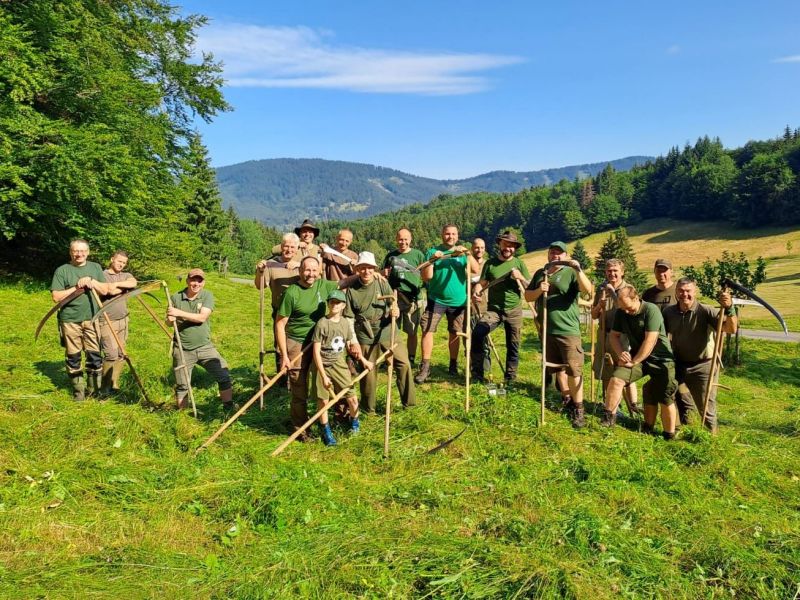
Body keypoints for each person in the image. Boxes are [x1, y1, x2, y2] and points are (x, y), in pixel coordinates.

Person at [526, 241, 593, 427]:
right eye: (552, 252)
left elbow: (588, 291)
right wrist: (540, 289)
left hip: (568, 330)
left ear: (566, 255)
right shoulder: (541, 273)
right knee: (557, 368)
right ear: (548, 254)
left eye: (559, 253)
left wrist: (578, 270)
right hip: (547, 329)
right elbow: (528, 296)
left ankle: (578, 409)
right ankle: (567, 399)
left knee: (574, 369)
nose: (555, 256)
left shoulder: (571, 272)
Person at [275, 256, 340, 438]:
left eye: (314, 270)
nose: (310, 274)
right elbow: (280, 324)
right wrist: (284, 356)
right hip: (296, 343)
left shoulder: (324, 286)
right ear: (300, 271)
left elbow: (345, 282)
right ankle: (300, 428)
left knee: (329, 378)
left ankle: (334, 419)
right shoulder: (292, 293)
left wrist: (374, 274)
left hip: (320, 340)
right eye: (307, 270)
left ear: (319, 271)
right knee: (299, 387)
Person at [662, 277, 738, 433]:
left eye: (688, 291)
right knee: (682, 400)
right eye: (681, 291)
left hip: (703, 367)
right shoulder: (669, 312)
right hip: (680, 366)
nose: (685, 295)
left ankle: (711, 440)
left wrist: (729, 308)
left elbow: (730, 329)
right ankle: (689, 432)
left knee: (706, 407)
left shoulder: (706, 311)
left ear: (694, 291)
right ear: (676, 292)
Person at [604, 285, 678, 439]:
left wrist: (634, 361)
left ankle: (668, 435)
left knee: (664, 396)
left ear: (636, 298)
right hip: (637, 357)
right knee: (616, 379)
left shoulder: (651, 310)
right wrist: (621, 354)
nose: (625, 312)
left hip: (661, 359)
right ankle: (608, 419)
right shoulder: (621, 312)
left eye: (628, 308)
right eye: (622, 308)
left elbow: (650, 341)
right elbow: (613, 336)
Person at [346, 251, 416, 413]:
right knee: (369, 374)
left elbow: (392, 300)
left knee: (403, 364)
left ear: (374, 268)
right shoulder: (352, 290)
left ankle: (410, 405)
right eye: (363, 268)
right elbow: (349, 318)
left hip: (388, 331)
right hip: (365, 335)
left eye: (370, 268)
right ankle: (368, 409)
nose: (366, 271)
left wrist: (395, 309)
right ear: (358, 269)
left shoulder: (381, 283)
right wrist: (354, 341)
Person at [50, 239, 114, 400]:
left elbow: (106, 290)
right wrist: (77, 287)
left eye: (82, 251)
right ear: (70, 252)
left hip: (92, 318)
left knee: (94, 355)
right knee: (73, 356)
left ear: (88, 252)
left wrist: (91, 281)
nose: (79, 254)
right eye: (76, 251)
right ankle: (79, 392)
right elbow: (56, 297)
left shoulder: (95, 268)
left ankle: (94, 390)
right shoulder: (62, 271)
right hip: (70, 320)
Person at [415, 224, 479, 383]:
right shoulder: (433, 251)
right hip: (436, 299)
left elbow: (476, 270)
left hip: (458, 301)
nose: (450, 236)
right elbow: (427, 277)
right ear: (442, 235)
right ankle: (425, 368)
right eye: (447, 234)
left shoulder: (462, 253)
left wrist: (468, 254)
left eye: (453, 234)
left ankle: (453, 365)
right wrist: (432, 260)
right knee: (427, 330)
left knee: (455, 332)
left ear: (457, 235)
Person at [311, 289, 373, 446]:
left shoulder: (345, 323)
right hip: (323, 365)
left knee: (351, 397)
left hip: (339, 364)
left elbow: (351, 346)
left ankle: (355, 424)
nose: (334, 305)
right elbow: (316, 352)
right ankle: (326, 431)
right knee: (324, 401)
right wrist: (323, 375)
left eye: (337, 302)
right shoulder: (322, 324)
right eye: (331, 302)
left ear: (343, 305)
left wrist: (364, 361)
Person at [167, 268, 235, 410]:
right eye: (193, 280)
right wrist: (169, 319)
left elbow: (202, 318)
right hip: (182, 348)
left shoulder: (207, 296)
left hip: (205, 347)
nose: (196, 283)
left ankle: (228, 407)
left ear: (203, 283)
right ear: (187, 281)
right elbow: (168, 322)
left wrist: (179, 313)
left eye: (199, 280)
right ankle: (182, 416)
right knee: (182, 385)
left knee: (224, 375)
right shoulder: (175, 297)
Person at [470, 232, 530, 383]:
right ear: (500, 245)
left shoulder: (519, 264)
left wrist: (520, 277)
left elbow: (529, 287)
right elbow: (482, 283)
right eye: (505, 244)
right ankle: (477, 374)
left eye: (511, 245)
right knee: (477, 333)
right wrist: (476, 290)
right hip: (494, 310)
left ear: (515, 248)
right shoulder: (490, 264)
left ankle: (510, 378)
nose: (508, 248)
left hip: (514, 310)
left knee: (513, 344)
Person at [590, 259, 641, 415]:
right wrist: (600, 305)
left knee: (624, 369)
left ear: (622, 272)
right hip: (604, 332)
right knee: (607, 369)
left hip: (622, 336)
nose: (612, 273)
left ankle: (633, 406)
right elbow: (593, 315)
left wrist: (613, 293)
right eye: (609, 271)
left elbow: (629, 311)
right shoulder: (601, 288)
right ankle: (612, 406)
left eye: (615, 271)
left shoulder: (629, 289)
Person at [255, 232, 301, 370]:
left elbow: (316, 274)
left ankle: (297, 374)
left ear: (297, 249)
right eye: (286, 246)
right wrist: (259, 272)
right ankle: (282, 377)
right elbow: (260, 285)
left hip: (299, 312)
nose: (289, 250)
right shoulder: (271, 264)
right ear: (281, 247)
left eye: (293, 247)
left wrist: (299, 264)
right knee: (280, 344)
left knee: (297, 343)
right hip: (280, 311)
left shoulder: (302, 263)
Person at [382, 228, 425, 366]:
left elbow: (425, 274)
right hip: (395, 298)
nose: (403, 242)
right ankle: (390, 356)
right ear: (396, 239)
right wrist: (384, 272)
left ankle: (411, 358)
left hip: (413, 298)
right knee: (392, 329)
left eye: (406, 239)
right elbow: (382, 274)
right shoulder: (390, 256)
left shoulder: (418, 255)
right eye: (400, 239)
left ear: (410, 239)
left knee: (412, 330)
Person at [99, 251, 138, 395]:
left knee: (121, 353)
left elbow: (133, 283)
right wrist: (122, 288)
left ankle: (114, 383)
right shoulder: (102, 275)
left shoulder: (125, 275)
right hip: (107, 321)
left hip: (123, 319)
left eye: (124, 263)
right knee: (110, 354)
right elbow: (106, 290)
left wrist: (116, 285)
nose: (121, 264)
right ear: (111, 259)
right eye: (119, 261)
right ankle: (104, 388)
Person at [470, 238, 491, 376]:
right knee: (471, 340)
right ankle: (475, 370)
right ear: (472, 248)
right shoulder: (468, 266)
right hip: (470, 309)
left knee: (485, 341)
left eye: (482, 248)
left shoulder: (488, 265)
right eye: (477, 247)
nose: (479, 250)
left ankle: (487, 369)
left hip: (485, 308)